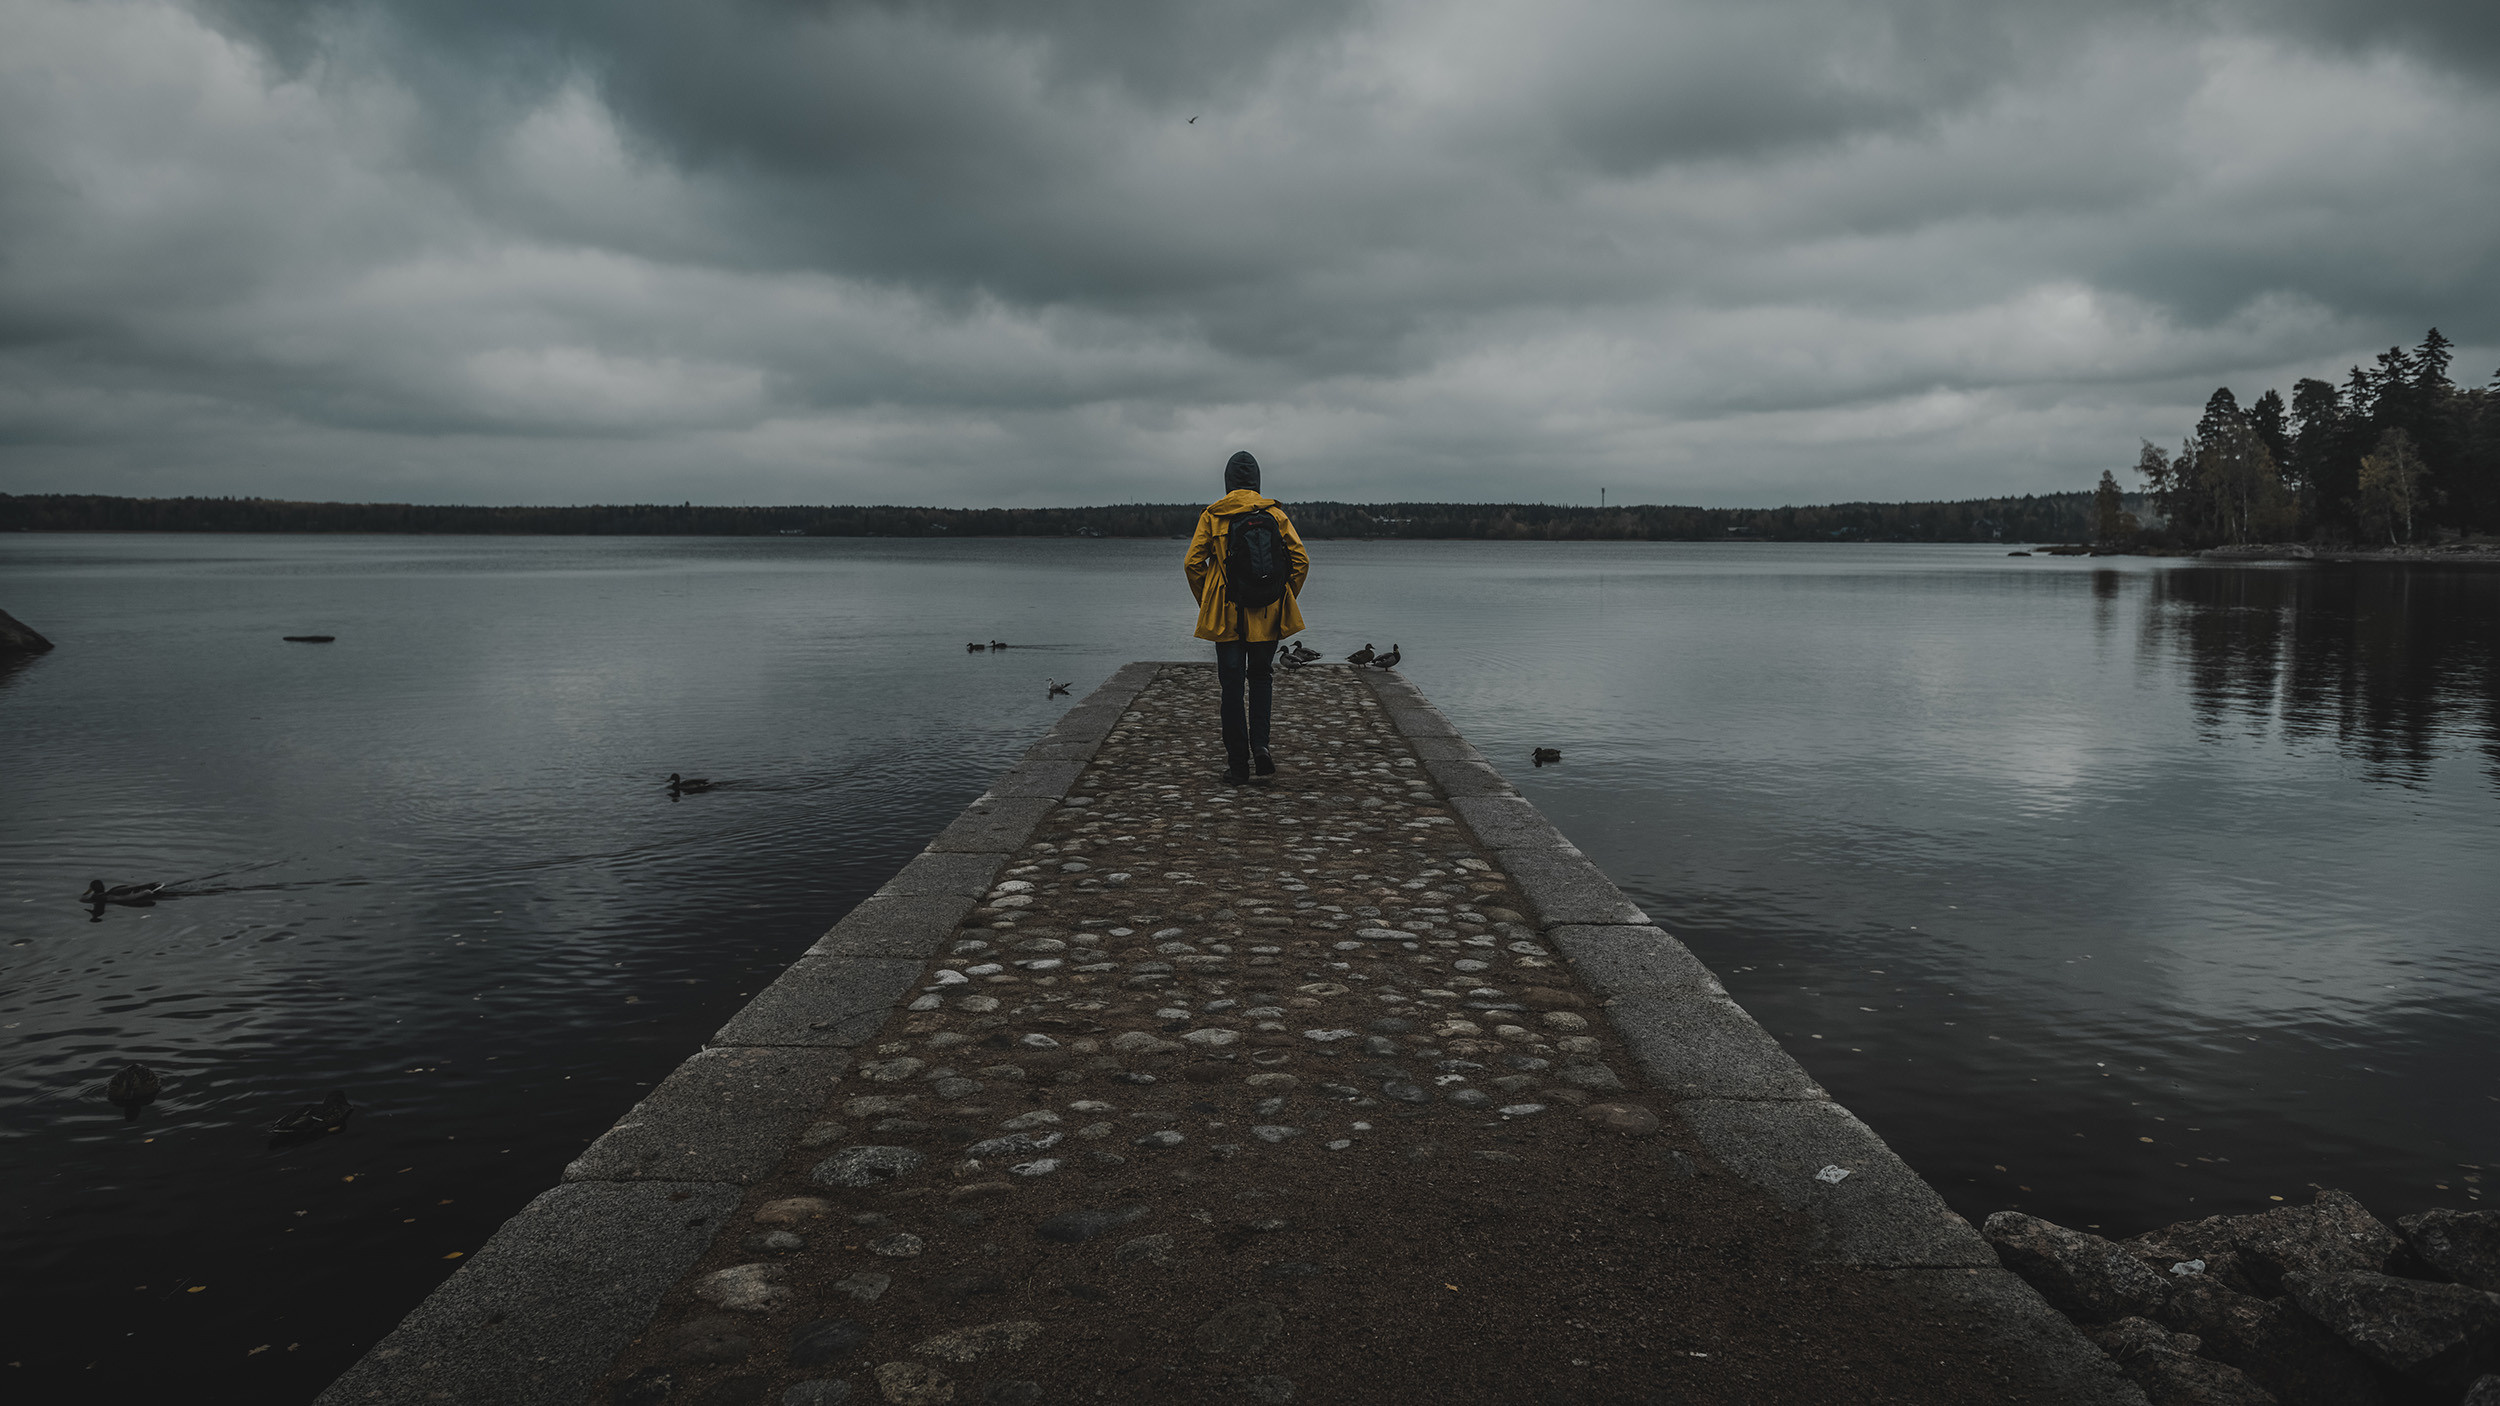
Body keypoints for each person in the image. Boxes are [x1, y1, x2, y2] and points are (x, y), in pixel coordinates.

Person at [1184, 450, 1311, 784]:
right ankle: (1262, 748)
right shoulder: (1275, 515)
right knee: (1261, 678)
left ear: (1227, 482)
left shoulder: (1214, 515)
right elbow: (1301, 561)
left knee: (1230, 687)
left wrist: (1207, 602)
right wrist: (1281, 597)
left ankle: (1238, 765)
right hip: (1266, 616)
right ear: (1257, 481)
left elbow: (1192, 564)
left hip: (1226, 617)